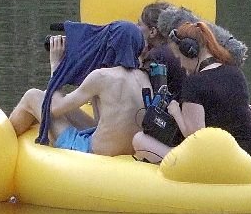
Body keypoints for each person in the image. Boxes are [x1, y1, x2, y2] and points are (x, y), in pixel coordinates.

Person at [132, 20, 251, 168]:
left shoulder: (194, 83)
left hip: (224, 165)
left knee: (139, 139)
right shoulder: (235, 72)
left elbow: (195, 137)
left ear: (190, 52)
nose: (180, 65)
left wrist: (175, 111)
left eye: (179, 58)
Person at [8, 20, 151, 157]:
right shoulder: (144, 77)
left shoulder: (101, 77)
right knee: (46, 95)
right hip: (125, 149)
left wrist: (56, 65)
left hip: (90, 151)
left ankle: (4, 140)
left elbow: (54, 108)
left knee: (32, 96)